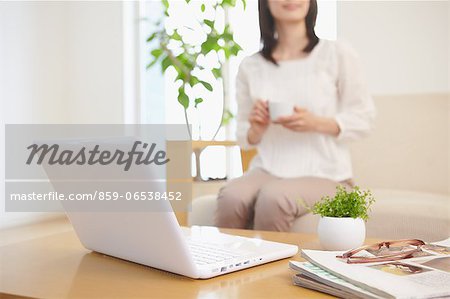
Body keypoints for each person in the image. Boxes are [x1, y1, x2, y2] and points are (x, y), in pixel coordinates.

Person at [214, 0, 376, 231]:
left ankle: (269, 267)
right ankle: (222, 265)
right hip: (268, 169)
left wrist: (316, 123)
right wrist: (256, 129)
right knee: (231, 197)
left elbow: (364, 119)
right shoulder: (251, 66)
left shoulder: (336, 53)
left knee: (274, 198)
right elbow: (243, 135)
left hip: (327, 174)